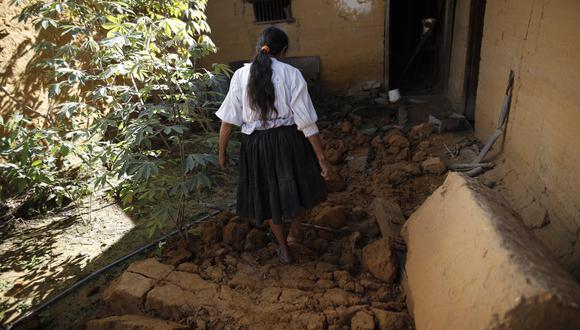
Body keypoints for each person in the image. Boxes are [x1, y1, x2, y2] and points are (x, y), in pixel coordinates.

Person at [216, 27, 330, 264]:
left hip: (254, 146)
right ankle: (293, 234)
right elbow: (307, 122)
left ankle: (283, 248)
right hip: (288, 141)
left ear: (259, 48)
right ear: (284, 51)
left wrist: (222, 152)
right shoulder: (292, 74)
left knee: (267, 196)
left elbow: (228, 121)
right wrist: (321, 158)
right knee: (304, 187)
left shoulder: (239, 76)